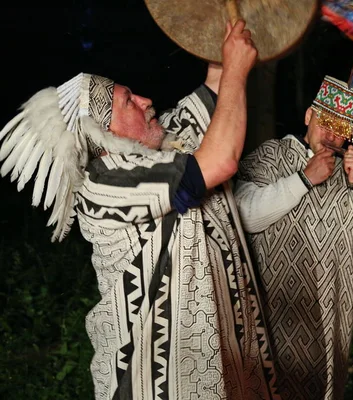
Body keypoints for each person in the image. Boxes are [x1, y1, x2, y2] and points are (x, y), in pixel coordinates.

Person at [0, 20, 280, 400]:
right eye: (128, 101)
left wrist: (225, 24)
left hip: (218, 362)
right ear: (103, 135)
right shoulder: (106, 181)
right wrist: (236, 68)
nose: (146, 101)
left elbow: (218, 87)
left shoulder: (163, 143)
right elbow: (219, 161)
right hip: (156, 381)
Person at [234, 75, 353, 399]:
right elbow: (244, 214)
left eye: (342, 129)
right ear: (309, 117)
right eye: (326, 123)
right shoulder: (271, 156)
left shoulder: (352, 173)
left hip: (333, 321)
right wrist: (303, 179)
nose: (333, 136)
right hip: (278, 315)